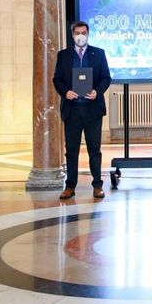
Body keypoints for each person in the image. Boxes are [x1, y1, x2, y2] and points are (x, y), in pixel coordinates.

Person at [53, 21, 112, 199]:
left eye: (84, 32)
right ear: (72, 35)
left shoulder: (98, 54)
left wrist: (97, 91)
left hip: (92, 110)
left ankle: (97, 185)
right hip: (72, 110)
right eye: (77, 32)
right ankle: (70, 186)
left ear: (88, 34)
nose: (80, 35)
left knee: (95, 150)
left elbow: (106, 78)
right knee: (71, 151)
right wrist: (65, 92)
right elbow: (57, 79)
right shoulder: (63, 56)